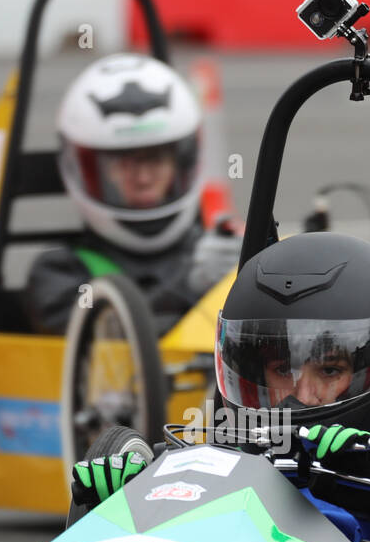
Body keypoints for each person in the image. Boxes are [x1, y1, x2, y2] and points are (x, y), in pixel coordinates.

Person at [72, 232, 370, 542]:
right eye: (283, 369)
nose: (302, 393)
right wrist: (126, 501)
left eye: (329, 371)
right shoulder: (223, 456)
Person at [20, 52, 239, 337]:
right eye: (124, 163)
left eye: (156, 159)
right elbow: (97, 340)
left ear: (182, 161)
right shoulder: (59, 273)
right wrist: (191, 287)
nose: (144, 178)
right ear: (84, 169)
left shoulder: (218, 255)